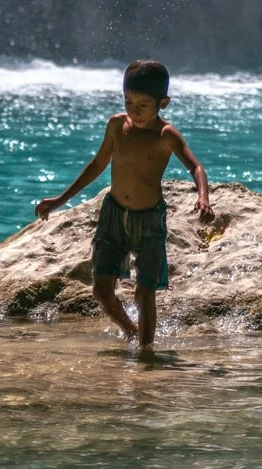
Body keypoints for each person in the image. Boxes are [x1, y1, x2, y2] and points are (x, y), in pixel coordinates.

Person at [33, 59, 213, 350]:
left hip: (149, 220)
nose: (134, 110)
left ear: (162, 103)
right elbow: (96, 165)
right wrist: (59, 201)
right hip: (113, 215)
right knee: (102, 291)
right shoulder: (117, 125)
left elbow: (196, 167)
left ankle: (145, 354)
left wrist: (202, 196)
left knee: (144, 294)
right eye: (128, 102)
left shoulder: (165, 135)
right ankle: (130, 330)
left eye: (143, 105)